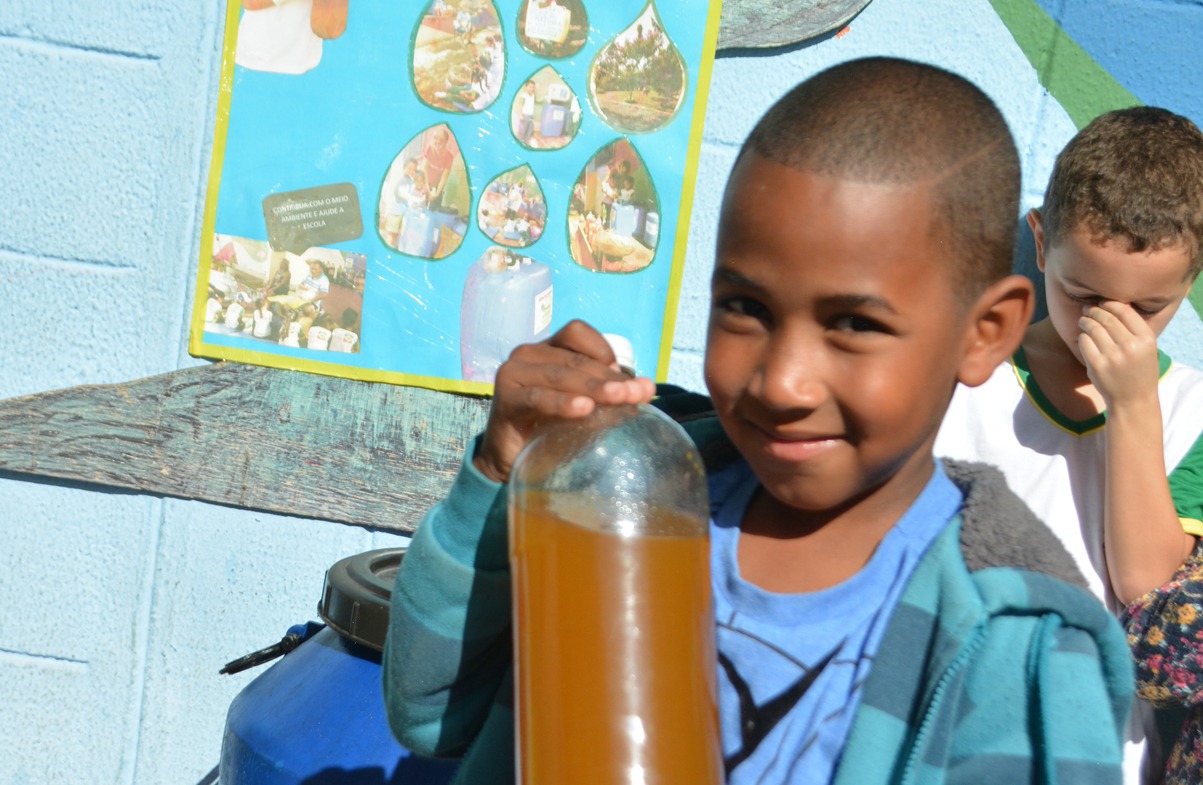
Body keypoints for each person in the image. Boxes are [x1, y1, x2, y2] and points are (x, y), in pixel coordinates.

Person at [383, 57, 1132, 785]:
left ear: (985, 332)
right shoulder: (631, 503)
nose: (781, 381)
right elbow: (432, 715)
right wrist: (503, 465)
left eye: (851, 323)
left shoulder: (1018, 644)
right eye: (744, 308)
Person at [934, 106, 1203, 783]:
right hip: (946, 731)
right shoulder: (962, 369)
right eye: (1082, 292)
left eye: (1146, 310)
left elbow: (1151, 592)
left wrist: (1134, 406)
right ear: (1040, 236)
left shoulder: (1193, 411)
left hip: (1096, 752)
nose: (1108, 326)